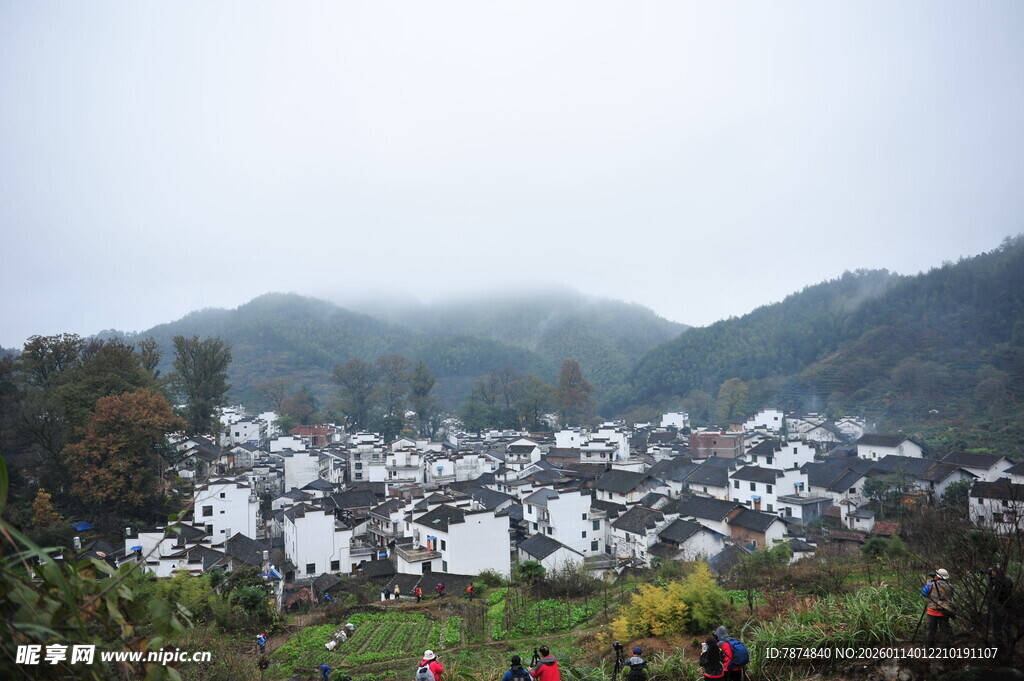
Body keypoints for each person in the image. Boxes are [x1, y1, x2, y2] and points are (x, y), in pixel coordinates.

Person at [921, 568, 955, 647]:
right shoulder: (949, 586)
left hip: (932, 611)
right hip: (945, 611)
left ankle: (929, 648)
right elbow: (952, 594)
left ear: (937, 575)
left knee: (930, 631)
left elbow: (924, 593)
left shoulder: (931, 584)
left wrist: (927, 584)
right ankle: (945, 649)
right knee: (945, 631)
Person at [987, 566, 1014, 655]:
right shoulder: (1008, 580)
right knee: (1007, 626)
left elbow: (993, 594)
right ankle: (1010, 644)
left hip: (998, 608)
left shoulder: (996, 582)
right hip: (1008, 607)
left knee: (997, 627)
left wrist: (991, 581)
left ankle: (1000, 645)